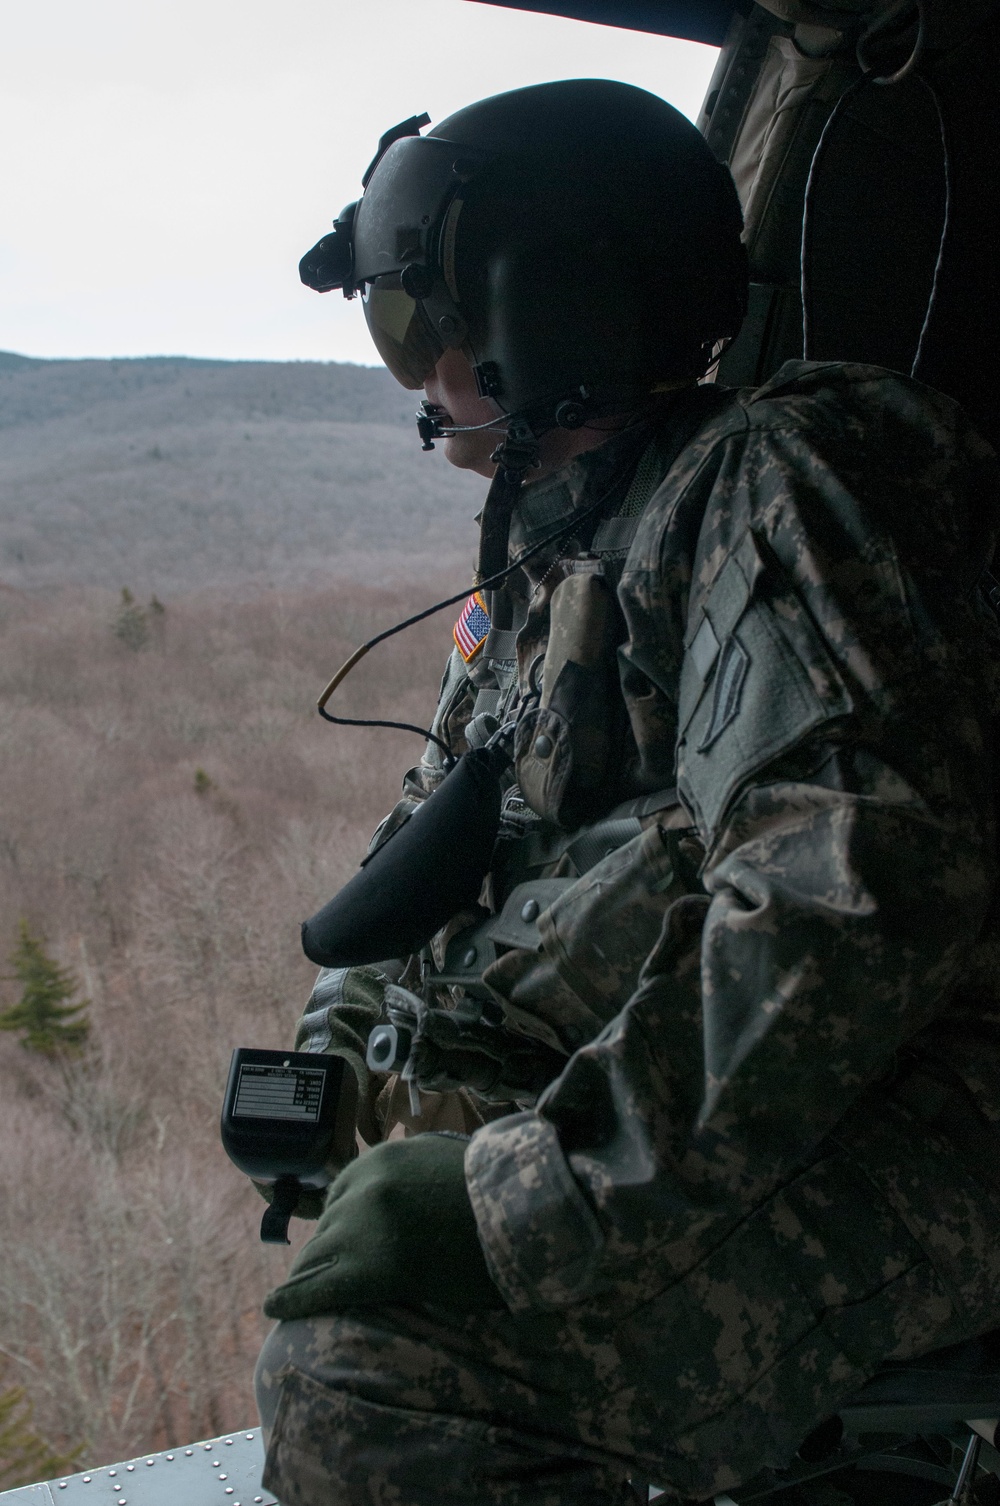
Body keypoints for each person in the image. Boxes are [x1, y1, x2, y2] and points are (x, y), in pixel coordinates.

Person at [253, 78, 1000, 1506]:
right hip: (768, 1100)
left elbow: (848, 894)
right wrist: (349, 1056)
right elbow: (430, 840)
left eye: (425, 319)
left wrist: (525, 1197)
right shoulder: (566, 550)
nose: (415, 370)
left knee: (372, 1382)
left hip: (934, 1108)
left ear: (552, 308)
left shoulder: (783, 487)